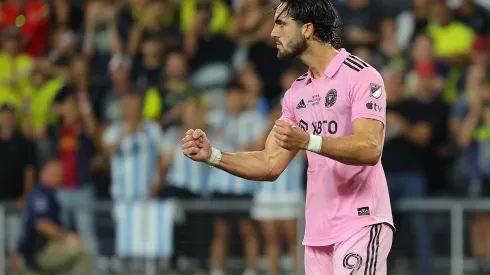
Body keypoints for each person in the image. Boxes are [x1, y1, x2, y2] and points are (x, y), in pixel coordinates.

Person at [181, 0, 394, 274]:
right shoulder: (296, 94)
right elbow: (270, 164)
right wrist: (213, 156)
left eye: (281, 24)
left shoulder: (361, 76)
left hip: (360, 223)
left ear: (307, 29)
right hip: (317, 236)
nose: (272, 33)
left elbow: (370, 148)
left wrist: (309, 141)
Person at [18, 159, 92, 275]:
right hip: (37, 254)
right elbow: (41, 224)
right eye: (54, 173)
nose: (59, 177)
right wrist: (65, 237)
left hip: (42, 253)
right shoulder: (39, 194)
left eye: (60, 174)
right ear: (43, 173)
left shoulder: (52, 194)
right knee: (84, 252)